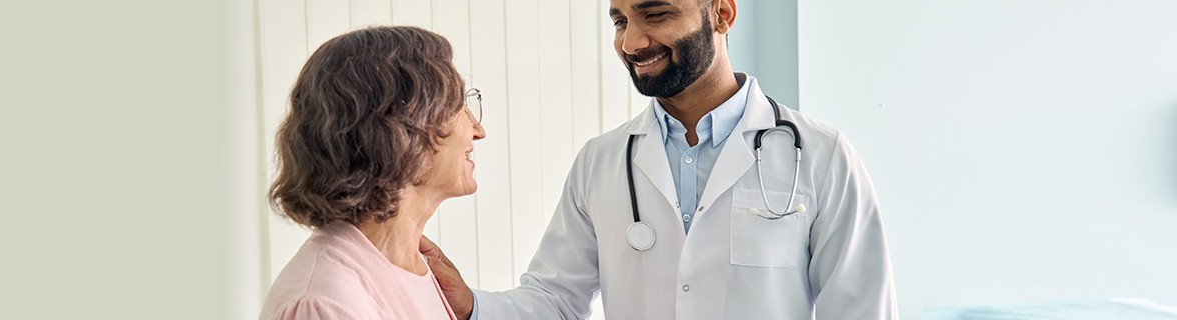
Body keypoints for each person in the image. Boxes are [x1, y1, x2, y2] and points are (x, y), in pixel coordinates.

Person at [419, 0, 897, 318]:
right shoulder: (601, 162)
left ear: (723, 13)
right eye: (620, 20)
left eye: (657, 14)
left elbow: (861, 309)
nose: (631, 43)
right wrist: (472, 306)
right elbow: (557, 300)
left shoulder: (819, 157)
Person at [260, 26, 486, 320]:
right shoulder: (324, 301)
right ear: (404, 130)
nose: (478, 130)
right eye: (458, 105)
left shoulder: (416, 270)